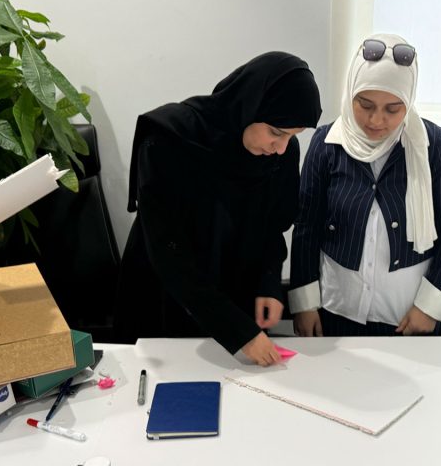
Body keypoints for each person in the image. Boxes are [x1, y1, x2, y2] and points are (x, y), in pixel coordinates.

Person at [116, 52, 321, 366]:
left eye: (293, 136)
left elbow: (272, 226)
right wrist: (238, 331)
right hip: (166, 295)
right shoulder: (168, 141)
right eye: (276, 132)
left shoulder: (280, 154)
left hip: (232, 292)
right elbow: (168, 251)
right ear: (249, 106)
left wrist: (268, 282)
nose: (281, 147)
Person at [288, 34, 441, 337]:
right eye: (365, 104)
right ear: (351, 93)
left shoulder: (433, 145)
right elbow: (307, 226)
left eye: (392, 109)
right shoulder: (327, 143)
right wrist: (304, 304)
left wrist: (429, 308)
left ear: (408, 103)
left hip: (408, 316)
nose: (376, 120)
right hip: (337, 309)